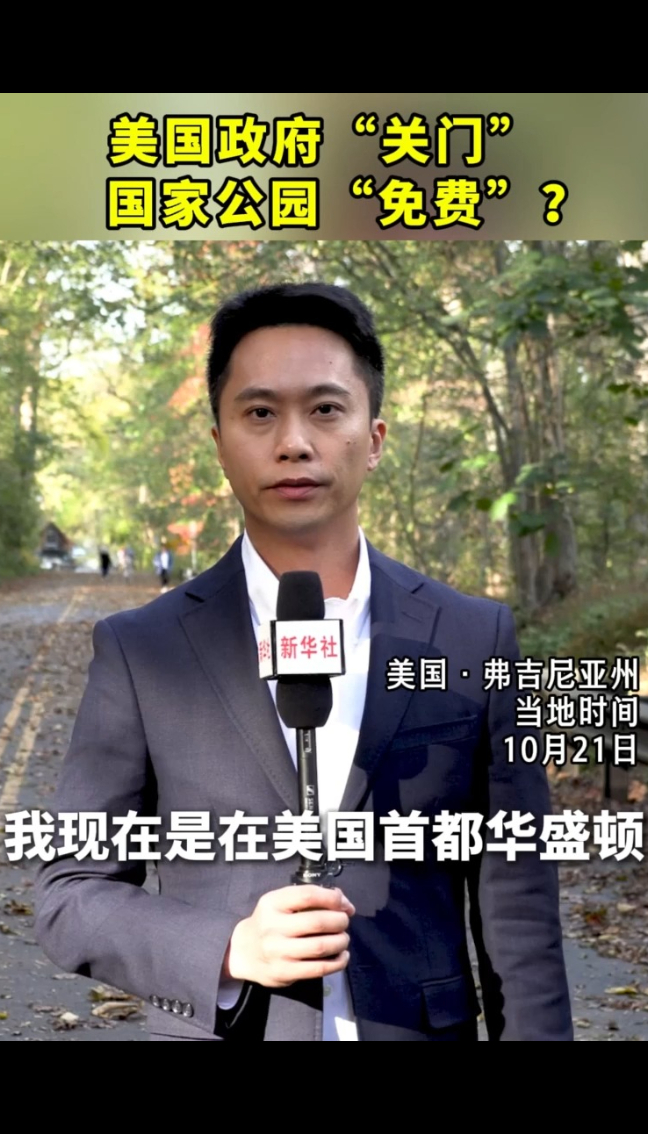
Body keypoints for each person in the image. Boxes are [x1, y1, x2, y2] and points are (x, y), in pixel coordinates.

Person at [34, 282, 573, 1042]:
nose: (293, 442)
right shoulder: (142, 649)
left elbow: (519, 901)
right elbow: (70, 890)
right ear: (219, 442)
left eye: (325, 409)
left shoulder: (472, 636)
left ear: (374, 437)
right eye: (260, 413)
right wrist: (229, 948)